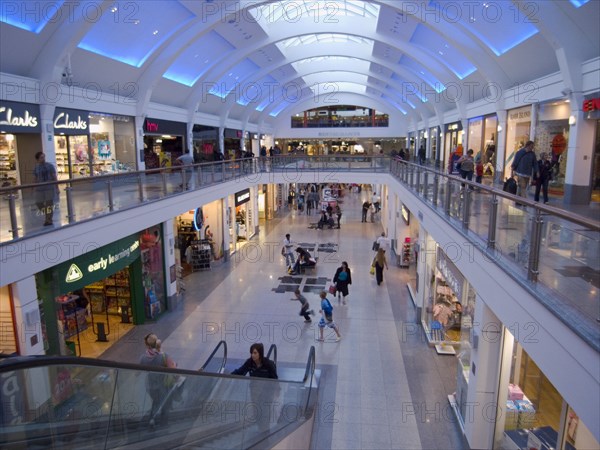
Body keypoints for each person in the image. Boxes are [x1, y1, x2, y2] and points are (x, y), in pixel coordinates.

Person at [139, 333, 177, 427]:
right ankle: (163, 425)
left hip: (150, 386)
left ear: (147, 345)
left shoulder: (143, 358)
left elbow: (137, 373)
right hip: (163, 386)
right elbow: (174, 370)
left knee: (155, 401)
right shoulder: (164, 356)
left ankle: (152, 420)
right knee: (165, 404)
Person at [33, 151, 59, 226]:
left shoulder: (50, 166)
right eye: (41, 157)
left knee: (49, 204)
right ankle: (48, 214)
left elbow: (54, 177)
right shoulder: (36, 168)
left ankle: (48, 220)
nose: (43, 159)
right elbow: (35, 178)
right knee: (38, 203)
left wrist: (57, 188)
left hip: (49, 188)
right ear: (37, 159)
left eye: (44, 157)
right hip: (39, 189)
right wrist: (33, 187)